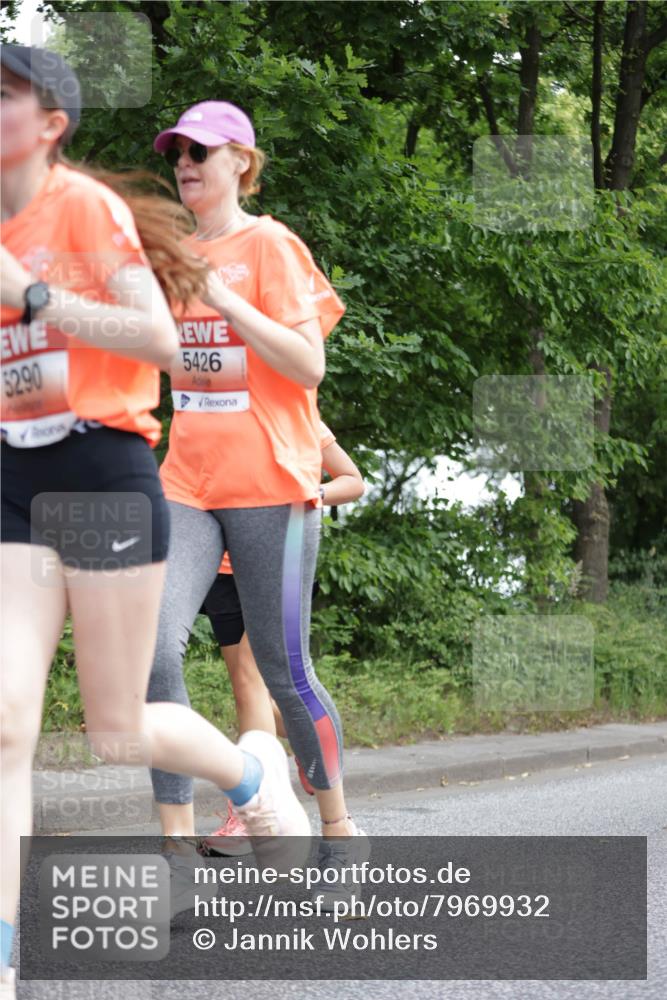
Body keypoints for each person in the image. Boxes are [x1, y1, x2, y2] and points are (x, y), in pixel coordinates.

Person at [0, 46, 309, 995]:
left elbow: (160, 341)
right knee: (6, 723)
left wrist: (32, 296)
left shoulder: (83, 209)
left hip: (101, 466)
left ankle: (252, 780)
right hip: (12, 474)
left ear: (50, 124)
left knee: (118, 727)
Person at [146, 99, 370, 903]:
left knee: (284, 671)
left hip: (272, 484)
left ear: (241, 161)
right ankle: (176, 854)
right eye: (176, 152)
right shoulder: (170, 257)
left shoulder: (270, 244)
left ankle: (338, 832)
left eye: (200, 151)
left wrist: (225, 299)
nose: (185, 163)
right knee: (150, 653)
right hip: (186, 484)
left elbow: (307, 366)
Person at [174, 421, 365, 854]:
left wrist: (313, 493)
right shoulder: (209, 412)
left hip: (275, 558)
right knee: (250, 691)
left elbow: (353, 480)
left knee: (250, 683)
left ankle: (250, 813)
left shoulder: (292, 413)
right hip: (221, 570)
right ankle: (310, 746)